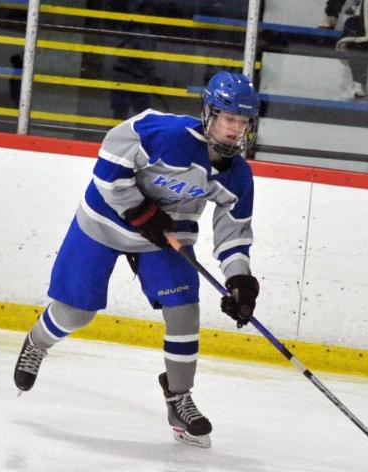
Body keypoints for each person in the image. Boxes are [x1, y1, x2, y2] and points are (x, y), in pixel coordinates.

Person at [13, 71, 262, 450]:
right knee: (76, 312)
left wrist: (239, 279)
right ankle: (37, 342)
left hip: (163, 237)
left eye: (242, 122)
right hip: (105, 219)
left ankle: (179, 398)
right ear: (209, 115)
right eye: (229, 119)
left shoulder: (238, 177)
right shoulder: (167, 134)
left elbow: (234, 235)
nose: (234, 130)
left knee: (184, 308)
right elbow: (113, 153)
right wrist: (140, 212)